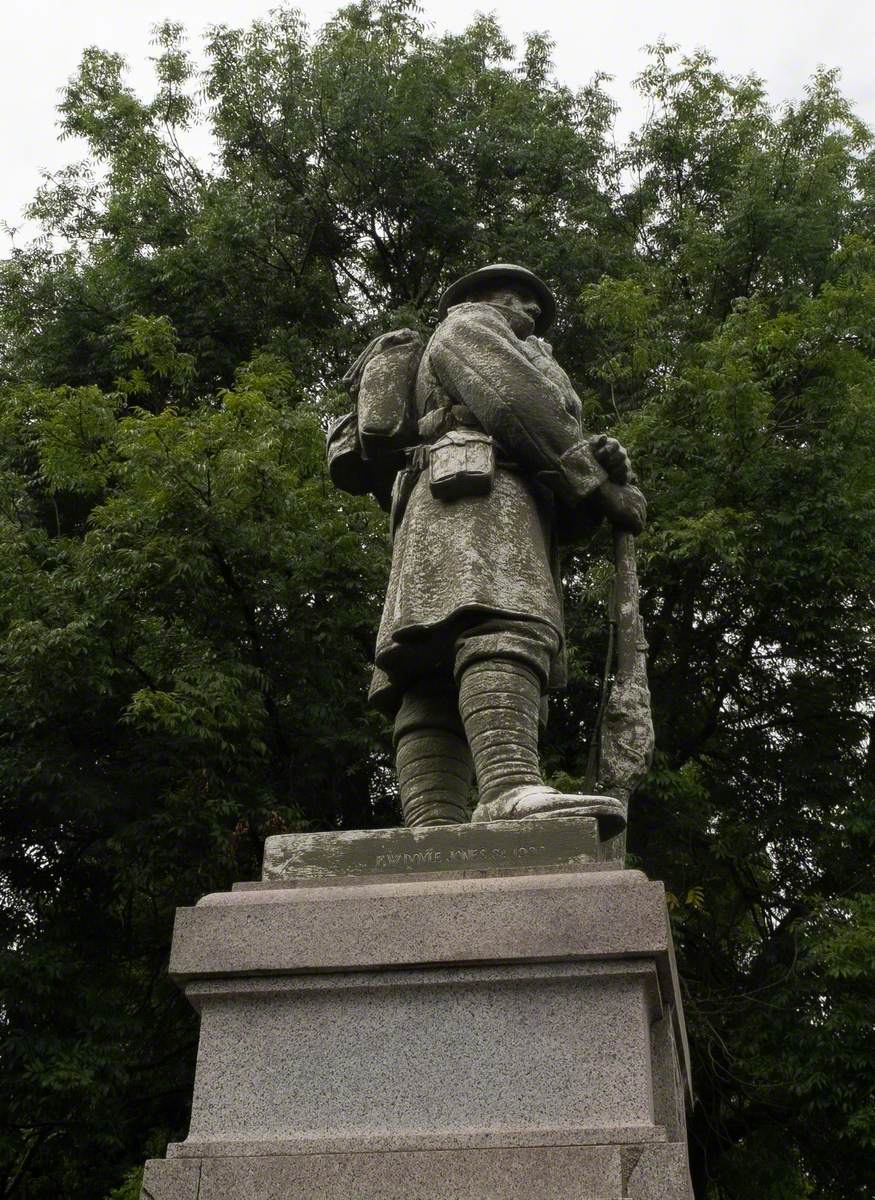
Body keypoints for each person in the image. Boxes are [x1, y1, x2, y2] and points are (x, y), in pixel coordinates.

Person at [353, 264, 645, 829]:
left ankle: (432, 824)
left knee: (431, 663)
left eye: (538, 303)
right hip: (476, 501)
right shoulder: (469, 326)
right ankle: (508, 786)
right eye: (519, 297)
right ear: (481, 297)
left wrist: (594, 480)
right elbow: (516, 404)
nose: (532, 311)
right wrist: (598, 484)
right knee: (502, 624)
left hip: (450, 506)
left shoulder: (474, 339)